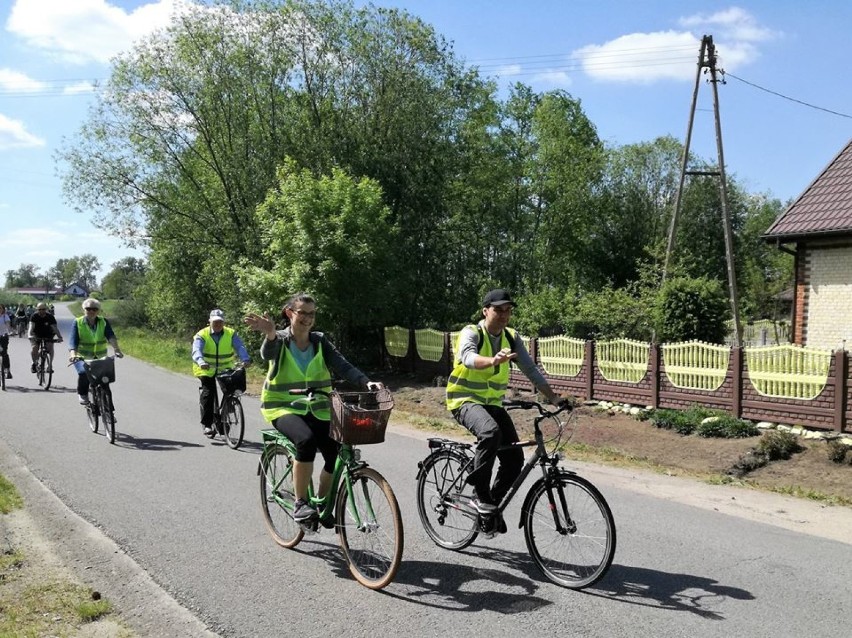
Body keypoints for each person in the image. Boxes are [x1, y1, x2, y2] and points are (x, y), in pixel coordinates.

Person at [244, 292, 383, 522]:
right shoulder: (280, 340)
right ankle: (300, 503)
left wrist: (365, 381)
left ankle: (322, 504)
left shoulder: (319, 341)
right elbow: (267, 353)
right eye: (302, 313)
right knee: (306, 440)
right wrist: (269, 333)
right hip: (283, 407)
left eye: (312, 314)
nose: (308, 318)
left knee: (335, 452)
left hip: (318, 408)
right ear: (290, 313)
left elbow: (343, 366)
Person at [446, 289, 564, 535]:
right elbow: (467, 358)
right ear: (485, 311)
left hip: (493, 404)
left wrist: (553, 398)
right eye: (498, 309)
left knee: (514, 459)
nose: (504, 315)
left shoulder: (511, 337)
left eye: (508, 310)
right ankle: (480, 494)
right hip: (464, 400)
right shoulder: (472, 332)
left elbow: (530, 369)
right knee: (490, 432)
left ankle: (490, 508)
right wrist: (492, 361)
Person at [191, 309, 251, 436]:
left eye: (220, 322)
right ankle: (207, 425)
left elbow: (239, 346)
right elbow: (196, 350)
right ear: (209, 322)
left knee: (232, 390)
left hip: (225, 368)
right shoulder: (202, 334)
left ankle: (223, 418)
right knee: (209, 392)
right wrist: (201, 361)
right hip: (206, 369)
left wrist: (245, 359)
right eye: (215, 322)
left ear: (223, 322)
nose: (217, 324)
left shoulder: (230, 333)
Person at [68, 298, 123, 404]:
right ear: (84, 310)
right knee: (84, 373)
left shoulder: (103, 321)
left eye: (94, 309)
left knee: (105, 380)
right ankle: (83, 394)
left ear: (98, 310)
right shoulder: (78, 322)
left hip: (100, 357)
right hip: (81, 356)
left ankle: (109, 411)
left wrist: (117, 350)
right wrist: (73, 354)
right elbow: (72, 341)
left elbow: (110, 336)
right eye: (88, 309)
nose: (91, 311)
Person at [28, 301, 63, 373]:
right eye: (39, 309)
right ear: (37, 309)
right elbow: (31, 327)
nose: (41, 311)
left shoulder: (50, 317)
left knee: (50, 347)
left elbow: (55, 328)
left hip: (48, 334)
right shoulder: (34, 316)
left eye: (43, 309)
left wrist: (60, 337)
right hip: (36, 334)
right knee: (34, 348)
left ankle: (50, 366)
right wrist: (29, 335)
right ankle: (34, 363)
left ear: (46, 309)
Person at [0, 304, 11, 378]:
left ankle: (8, 370)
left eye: (0, 308)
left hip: (3, 336)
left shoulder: (5, 316)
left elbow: (8, 326)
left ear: (3, 309)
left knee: (4, 353)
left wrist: (9, 332)